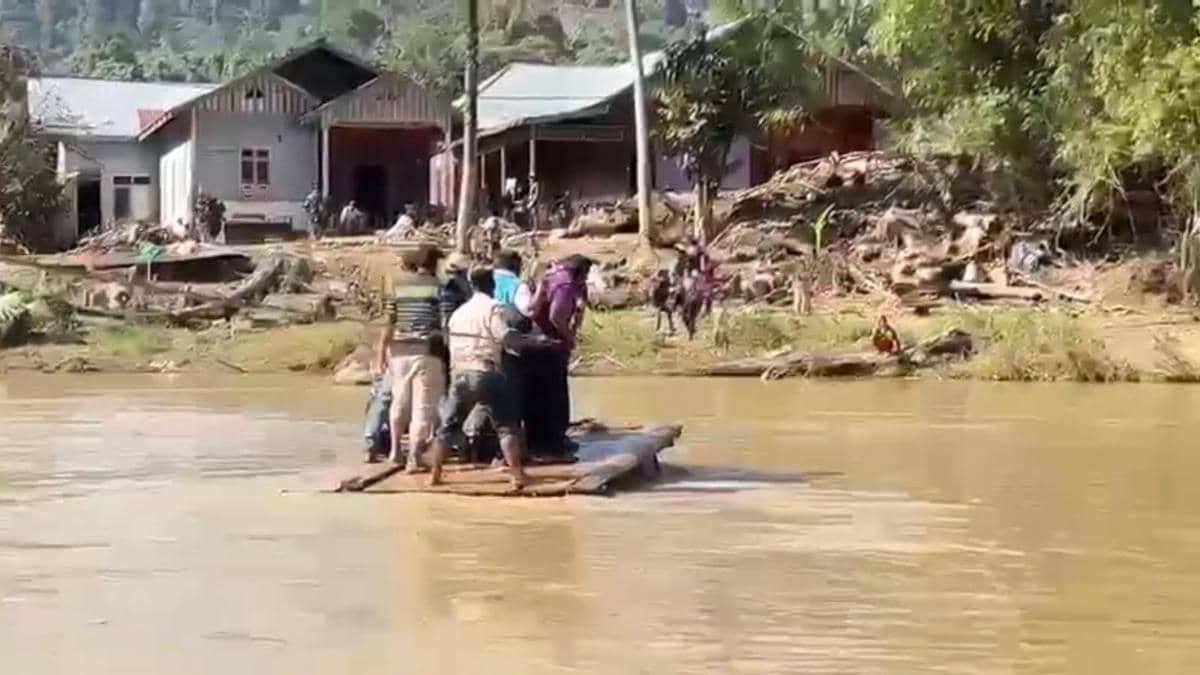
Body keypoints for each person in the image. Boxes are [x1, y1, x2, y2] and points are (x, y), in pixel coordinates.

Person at [428, 268, 554, 490]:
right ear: (492, 286)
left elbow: (450, 344)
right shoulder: (493, 308)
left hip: (460, 374)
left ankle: (435, 475)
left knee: (448, 427)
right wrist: (536, 341)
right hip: (486, 371)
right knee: (506, 427)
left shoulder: (458, 313)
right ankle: (517, 476)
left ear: (471, 285)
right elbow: (506, 338)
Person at [374, 244, 447, 471]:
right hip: (427, 351)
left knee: (399, 402)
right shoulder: (440, 288)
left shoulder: (398, 287)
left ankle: (396, 452)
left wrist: (380, 355)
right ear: (435, 264)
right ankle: (415, 458)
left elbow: (389, 323)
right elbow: (445, 325)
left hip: (398, 351)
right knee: (423, 406)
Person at [527, 254, 593, 455]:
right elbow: (556, 316)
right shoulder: (566, 284)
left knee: (538, 394)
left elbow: (535, 309)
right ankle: (555, 441)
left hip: (535, 339)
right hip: (552, 343)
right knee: (556, 394)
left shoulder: (551, 275)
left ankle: (537, 441)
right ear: (581, 271)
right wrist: (569, 338)